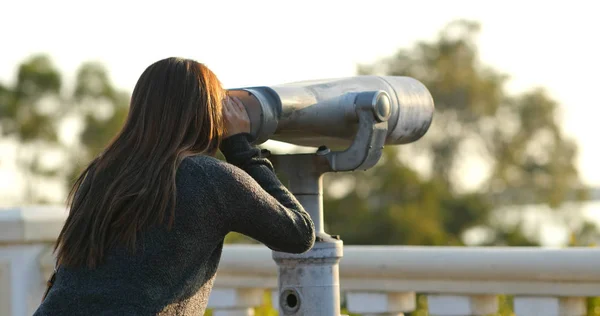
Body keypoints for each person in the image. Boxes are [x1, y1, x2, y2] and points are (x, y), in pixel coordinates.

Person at [33, 57, 316, 315]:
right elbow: (299, 233)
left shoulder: (100, 173)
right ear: (210, 113)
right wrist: (240, 147)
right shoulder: (211, 179)